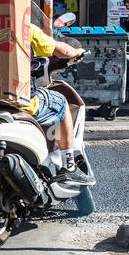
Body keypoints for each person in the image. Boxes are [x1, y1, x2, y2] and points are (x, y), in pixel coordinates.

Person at [24, 25, 87, 173]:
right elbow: (61, 50)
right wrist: (76, 52)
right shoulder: (21, 24)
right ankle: (69, 166)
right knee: (61, 102)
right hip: (19, 102)